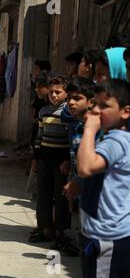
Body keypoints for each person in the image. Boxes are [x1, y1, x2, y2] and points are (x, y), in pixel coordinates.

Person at [77, 79, 130, 278]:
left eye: (105, 106)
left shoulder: (116, 140)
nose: (97, 111)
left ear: (125, 112)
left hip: (108, 236)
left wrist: (89, 129)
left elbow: (85, 167)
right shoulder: (117, 137)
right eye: (95, 104)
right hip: (111, 233)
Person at [30, 76, 78, 256]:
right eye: (51, 92)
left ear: (66, 93)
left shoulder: (68, 112)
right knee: (43, 194)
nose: (53, 95)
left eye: (58, 92)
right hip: (44, 159)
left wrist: (68, 160)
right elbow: (39, 136)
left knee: (61, 196)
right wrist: (36, 157)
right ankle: (45, 229)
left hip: (61, 162)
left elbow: (71, 139)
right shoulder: (43, 111)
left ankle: (61, 232)